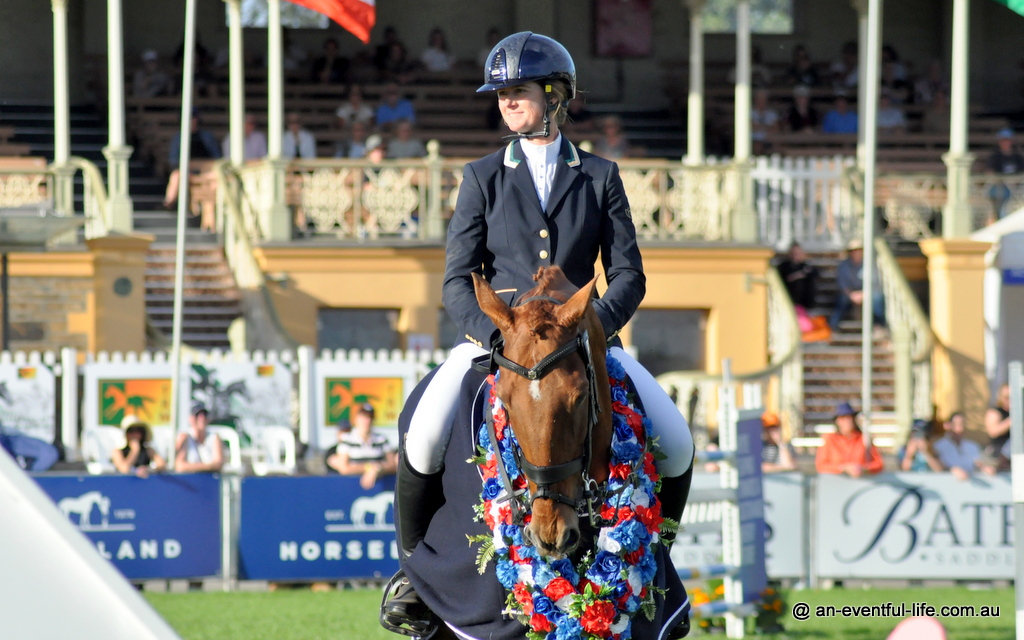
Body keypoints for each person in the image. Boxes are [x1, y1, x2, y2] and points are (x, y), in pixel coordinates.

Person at [381, 32, 694, 639]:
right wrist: (495, 337)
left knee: (676, 442)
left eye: (518, 92)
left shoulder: (600, 176)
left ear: (555, 96)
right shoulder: (481, 177)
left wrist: (592, 330)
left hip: (584, 340)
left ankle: (657, 563)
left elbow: (628, 272)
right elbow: (455, 280)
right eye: (500, 95)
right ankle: (412, 578)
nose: (506, 104)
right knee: (421, 434)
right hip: (497, 342)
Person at [325, 403, 397, 489]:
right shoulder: (347, 440)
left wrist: (378, 469)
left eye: (370, 417)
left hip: (380, 487)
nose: (367, 421)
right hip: (352, 488)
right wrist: (370, 468)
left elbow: (392, 465)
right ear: (356, 419)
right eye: (363, 417)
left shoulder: (381, 439)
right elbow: (344, 468)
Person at [163, 110, 222, 210]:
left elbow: (217, 158)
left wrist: (200, 165)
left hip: (206, 171)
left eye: (194, 119)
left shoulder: (207, 137)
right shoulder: (178, 138)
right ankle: (168, 203)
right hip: (187, 171)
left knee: (215, 180)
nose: (192, 121)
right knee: (176, 176)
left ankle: (209, 211)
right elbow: (173, 160)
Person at [829, 239, 886, 334]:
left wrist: (864, 294)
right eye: (854, 251)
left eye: (859, 250)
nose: (857, 253)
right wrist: (851, 295)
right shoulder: (844, 265)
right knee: (842, 300)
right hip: (849, 293)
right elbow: (842, 284)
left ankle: (879, 325)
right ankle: (833, 326)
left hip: (866, 292)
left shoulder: (869, 264)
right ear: (850, 253)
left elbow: (874, 282)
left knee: (877, 298)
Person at [815, 402, 884, 476]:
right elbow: (821, 466)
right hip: (835, 483)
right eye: (843, 418)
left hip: (859, 483)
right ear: (837, 421)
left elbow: (879, 464)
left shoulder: (864, 438)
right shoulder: (829, 439)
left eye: (850, 417)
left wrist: (864, 468)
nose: (848, 421)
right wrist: (842, 468)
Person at [174, 403, 224, 473]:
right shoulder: (185, 437)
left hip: (210, 480)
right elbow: (180, 466)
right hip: (189, 481)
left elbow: (218, 464)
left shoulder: (214, 437)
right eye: (197, 415)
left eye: (204, 415)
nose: (202, 418)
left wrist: (192, 467)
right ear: (191, 419)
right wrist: (208, 466)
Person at [986, 129, 1024, 221]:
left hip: (1017, 186)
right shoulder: (995, 157)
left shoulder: (1018, 157)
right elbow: (990, 172)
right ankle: (1000, 218)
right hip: (1001, 186)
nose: (1005, 143)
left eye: (1007, 140)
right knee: (999, 196)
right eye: (1003, 140)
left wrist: (1015, 182)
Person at [932, 411, 981, 481]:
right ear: (947, 426)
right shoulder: (938, 446)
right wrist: (952, 470)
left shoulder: (973, 446)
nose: (960, 429)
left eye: (962, 425)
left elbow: (977, 464)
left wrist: (985, 467)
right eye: (956, 425)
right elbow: (938, 467)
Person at [979, 383, 1011, 475]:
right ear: (1000, 397)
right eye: (1007, 397)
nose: (1010, 400)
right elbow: (993, 431)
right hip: (997, 454)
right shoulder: (995, 412)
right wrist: (1011, 421)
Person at [751, 88, 780, 154]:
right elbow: (751, 126)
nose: (762, 101)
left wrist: (759, 127)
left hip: (769, 139)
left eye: (763, 99)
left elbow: (776, 128)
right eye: (759, 99)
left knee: (778, 144)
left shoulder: (772, 113)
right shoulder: (750, 112)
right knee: (757, 145)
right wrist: (767, 127)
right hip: (753, 139)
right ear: (756, 100)